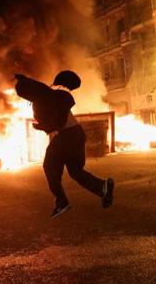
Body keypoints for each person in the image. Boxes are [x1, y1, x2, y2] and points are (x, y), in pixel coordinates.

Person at [14, 70, 114, 218]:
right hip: (76, 133)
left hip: (65, 136)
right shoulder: (51, 94)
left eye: (23, 94)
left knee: (49, 166)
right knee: (75, 171)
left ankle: (62, 202)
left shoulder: (42, 100)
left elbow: (57, 123)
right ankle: (102, 187)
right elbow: (58, 116)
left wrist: (43, 126)